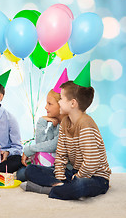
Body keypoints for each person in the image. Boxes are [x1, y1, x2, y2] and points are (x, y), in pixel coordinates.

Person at [21, 62, 111, 200]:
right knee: (31, 170)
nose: (59, 102)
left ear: (73, 103)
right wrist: (60, 175)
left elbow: (91, 162)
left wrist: (78, 177)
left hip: (95, 177)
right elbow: (61, 155)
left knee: (81, 185)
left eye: (61, 99)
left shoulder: (86, 124)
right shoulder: (65, 124)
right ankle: (63, 187)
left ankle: (49, 190)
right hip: (73, 172)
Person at [16, 69, 68, 181]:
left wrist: (29, 149)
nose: (45, 107)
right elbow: (42, 144)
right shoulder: (55, 124)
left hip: (65, 169)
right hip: (51, 165)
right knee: (21, 172)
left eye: (49, 104)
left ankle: (48, 185)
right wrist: (42, 121)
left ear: (61, 105)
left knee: (24, 173)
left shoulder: (67, 124)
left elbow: (53, 145)